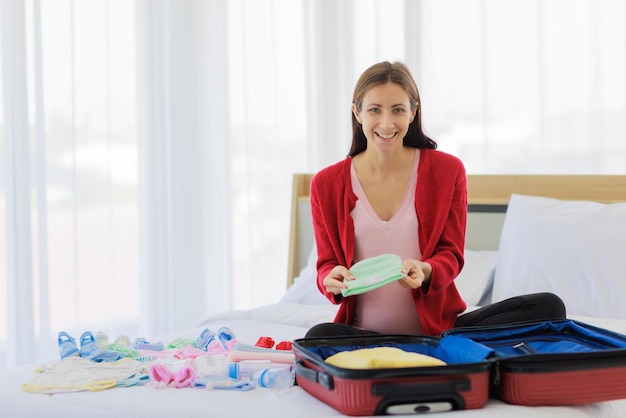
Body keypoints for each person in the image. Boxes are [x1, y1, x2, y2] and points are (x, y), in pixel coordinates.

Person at [305, 61, 565, 339]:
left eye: (398, 110)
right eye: (374, 110)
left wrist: (426, 270)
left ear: (413, 112)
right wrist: (329, 278)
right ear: (357, 112)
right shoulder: (326, 184)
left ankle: (438, 351)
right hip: (361, 335)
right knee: (317, 336)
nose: (386, 123)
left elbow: (451, 254)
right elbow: (327, 264)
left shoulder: (447, 171)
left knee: (549, 306)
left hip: (440, 332)